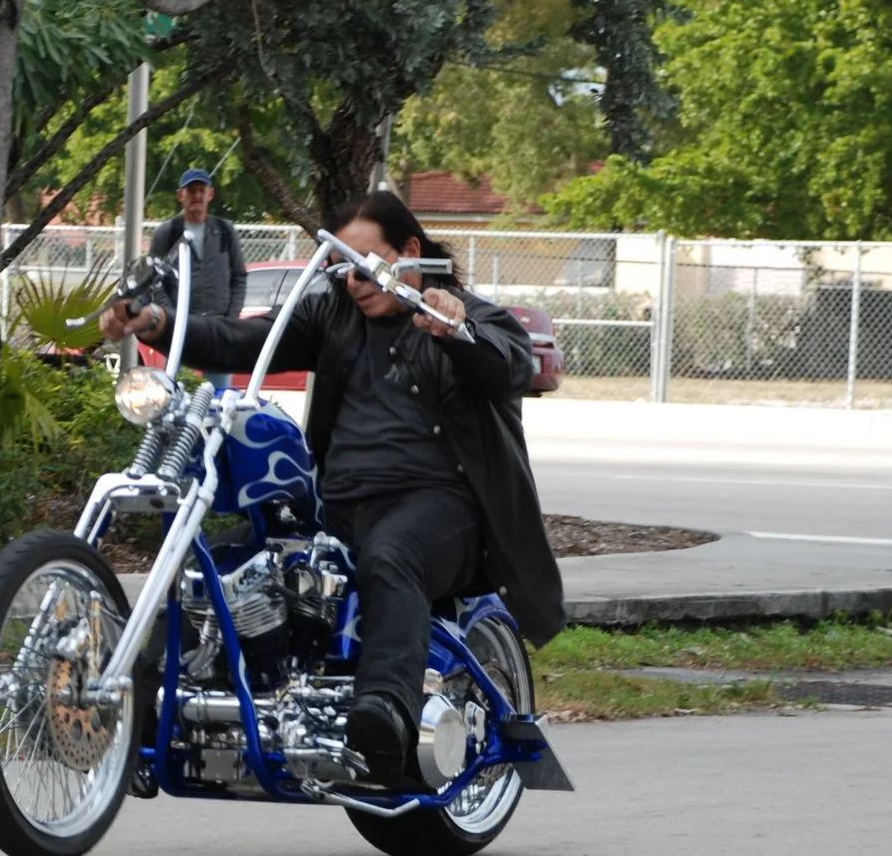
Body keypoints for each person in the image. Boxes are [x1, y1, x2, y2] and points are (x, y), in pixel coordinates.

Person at [100, 191, 565, 789]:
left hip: (443, 509)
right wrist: (160, 324)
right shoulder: (333, 317)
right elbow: (243, 340)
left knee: (392, 556)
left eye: (367, 263)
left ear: (411, 253)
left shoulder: (471, 317)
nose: (353, 280)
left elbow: (510, 364)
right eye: (342, 267)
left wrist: (456, 328)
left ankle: (384, 718)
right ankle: (137, 713)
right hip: (339, 508)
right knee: (218, 568)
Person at [145, 169, 247, 323]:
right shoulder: (167, 233)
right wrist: (171, 317)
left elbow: (239, 276)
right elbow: (153, 280)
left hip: (219, 324)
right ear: (181, 195)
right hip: (180, 325)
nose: (197, 196)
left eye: (201, 190)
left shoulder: (225, 231)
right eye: (191, 191)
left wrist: (231, 318)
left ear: (210, 194)